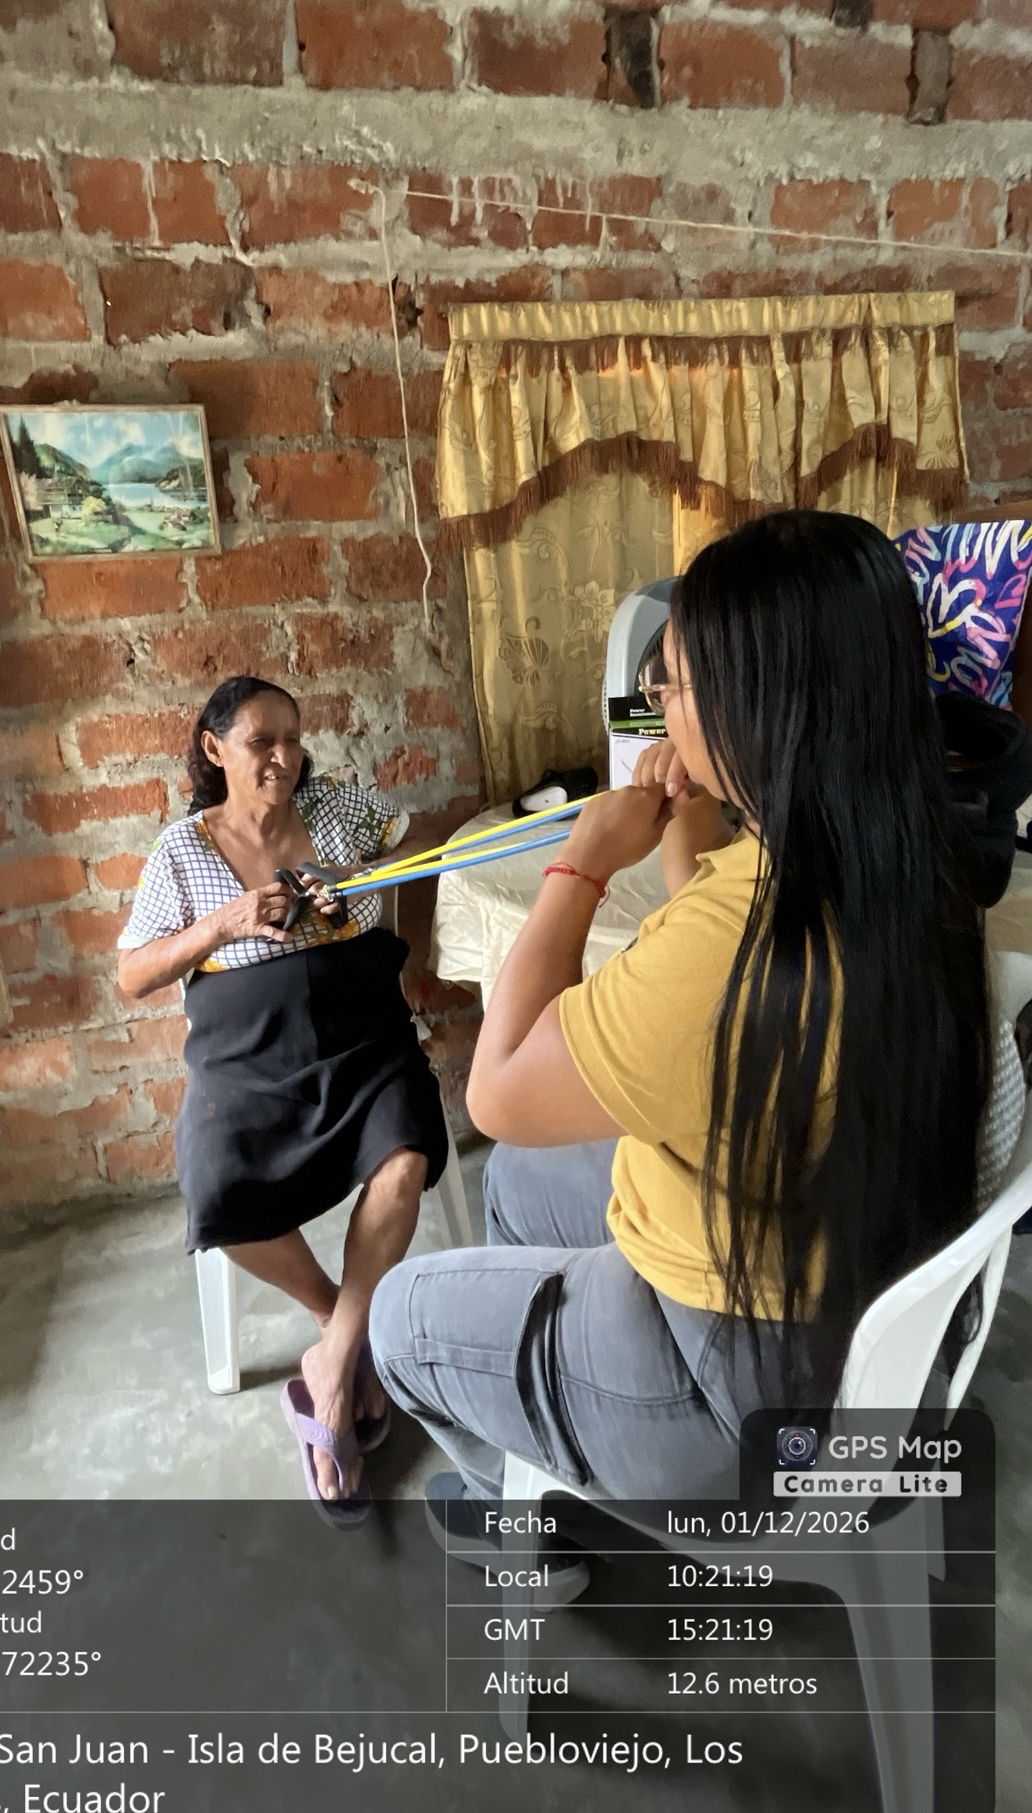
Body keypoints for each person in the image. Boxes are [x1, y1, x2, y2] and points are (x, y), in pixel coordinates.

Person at [369, 509, 1022, 1577]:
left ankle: (542, 1513)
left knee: (401, 1317)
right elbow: (715, 986)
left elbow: (497, 1089)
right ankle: (556, 1417)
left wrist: (580, 862)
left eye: (670, 681)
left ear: (753, 704)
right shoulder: (903, 847)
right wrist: (687, 817)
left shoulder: (731, 944)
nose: (658, 702)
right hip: (836, 1283)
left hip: (732, 1393)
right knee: (525, 1185)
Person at [117, 675, 447, 1521]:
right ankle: (343, 1327)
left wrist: (358, 871)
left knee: (405, 1153)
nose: (283, 757)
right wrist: (224, 922)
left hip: (364, 1033)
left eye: (293, 739)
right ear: (214, 748)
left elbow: (430, 840)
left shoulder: (337, 807)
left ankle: (330, 1368)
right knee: (218, 1186)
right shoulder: (181, 850)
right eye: (261, 740)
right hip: (246, 1056)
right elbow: (132, 973)